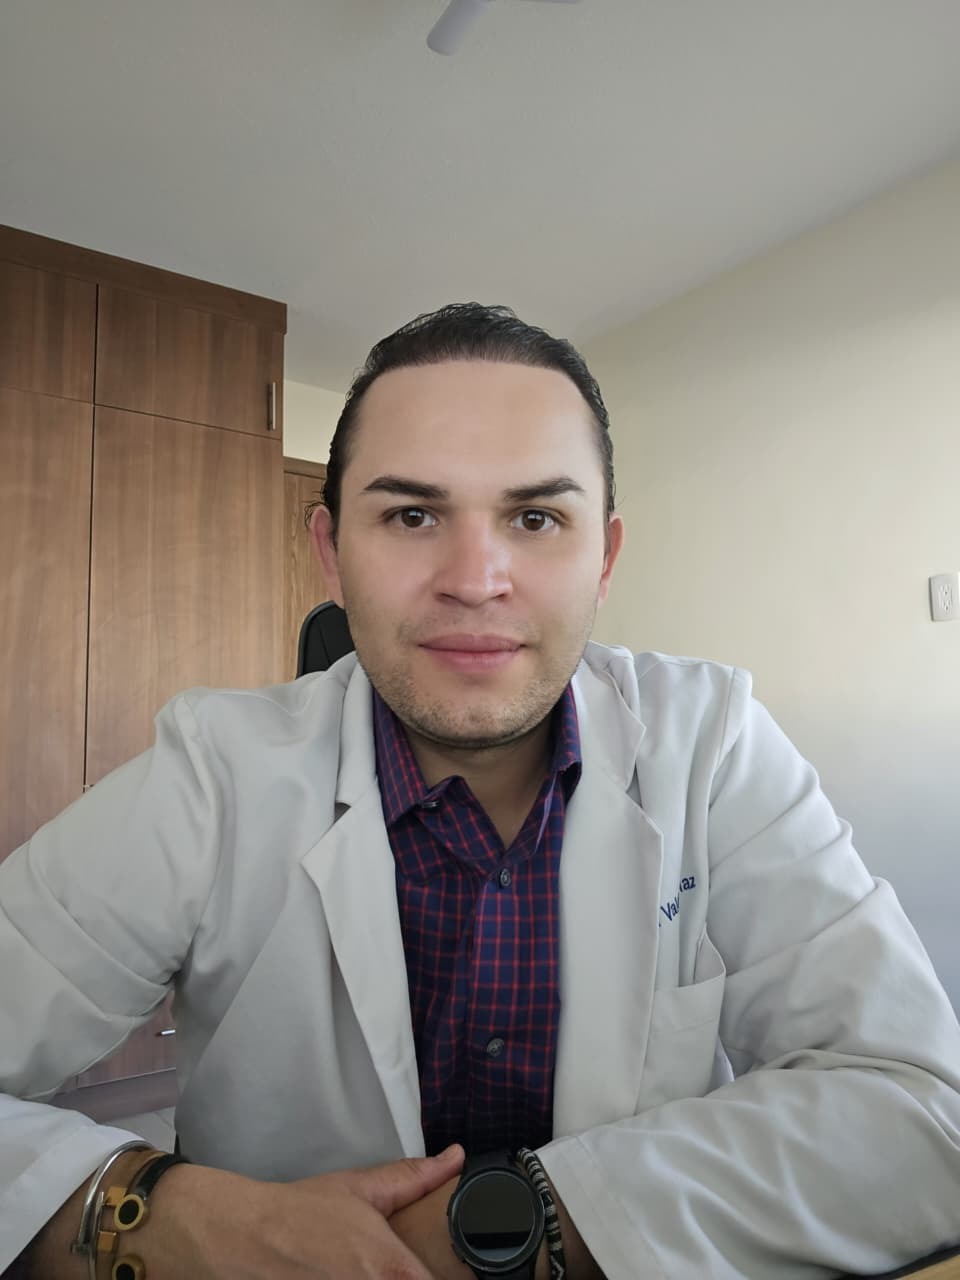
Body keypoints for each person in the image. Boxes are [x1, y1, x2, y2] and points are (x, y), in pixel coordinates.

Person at [2, 303, 960, 1280]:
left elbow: (920, 1106)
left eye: (535, 518)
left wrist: (511, 1231)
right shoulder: (213, 770)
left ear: (604, 557)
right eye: (412, 515)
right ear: (331, 554)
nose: (475, 579)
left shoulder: (711, 743)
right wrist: (144, 1215)